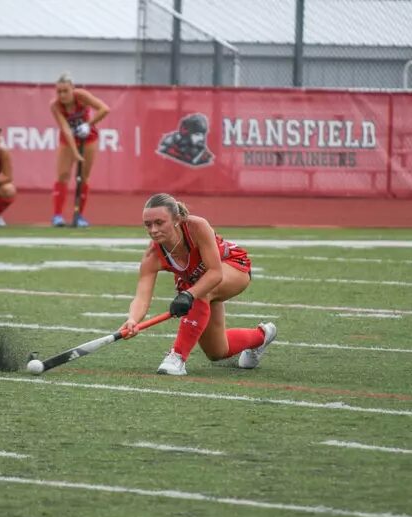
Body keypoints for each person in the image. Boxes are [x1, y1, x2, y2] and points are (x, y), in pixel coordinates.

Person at [120, 193, 277, 376]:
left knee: (199, 292)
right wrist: (133, 320)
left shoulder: (197, 227)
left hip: (231, 267)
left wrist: (189, 295)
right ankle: (262, 336)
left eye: (159, 223)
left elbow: (215, 273)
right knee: (217, 351)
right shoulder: (152, 255)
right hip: (199, 283)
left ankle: (177, 356)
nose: (153, 230)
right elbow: (141, 297)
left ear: (176, 219)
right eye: (148, 225)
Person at [49, 72, 109, 228]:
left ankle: (79, 215)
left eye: (65, 91)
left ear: (72, 89)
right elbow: (65, 129)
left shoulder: (81, 96)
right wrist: (75, 153)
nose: (62, 95)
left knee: (83, 177)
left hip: (88, 137)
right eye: (59, 91)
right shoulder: (55, 106)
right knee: (63, 175)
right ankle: (57, 215)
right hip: (68, 139)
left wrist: (88, 124)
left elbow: (104, 109)